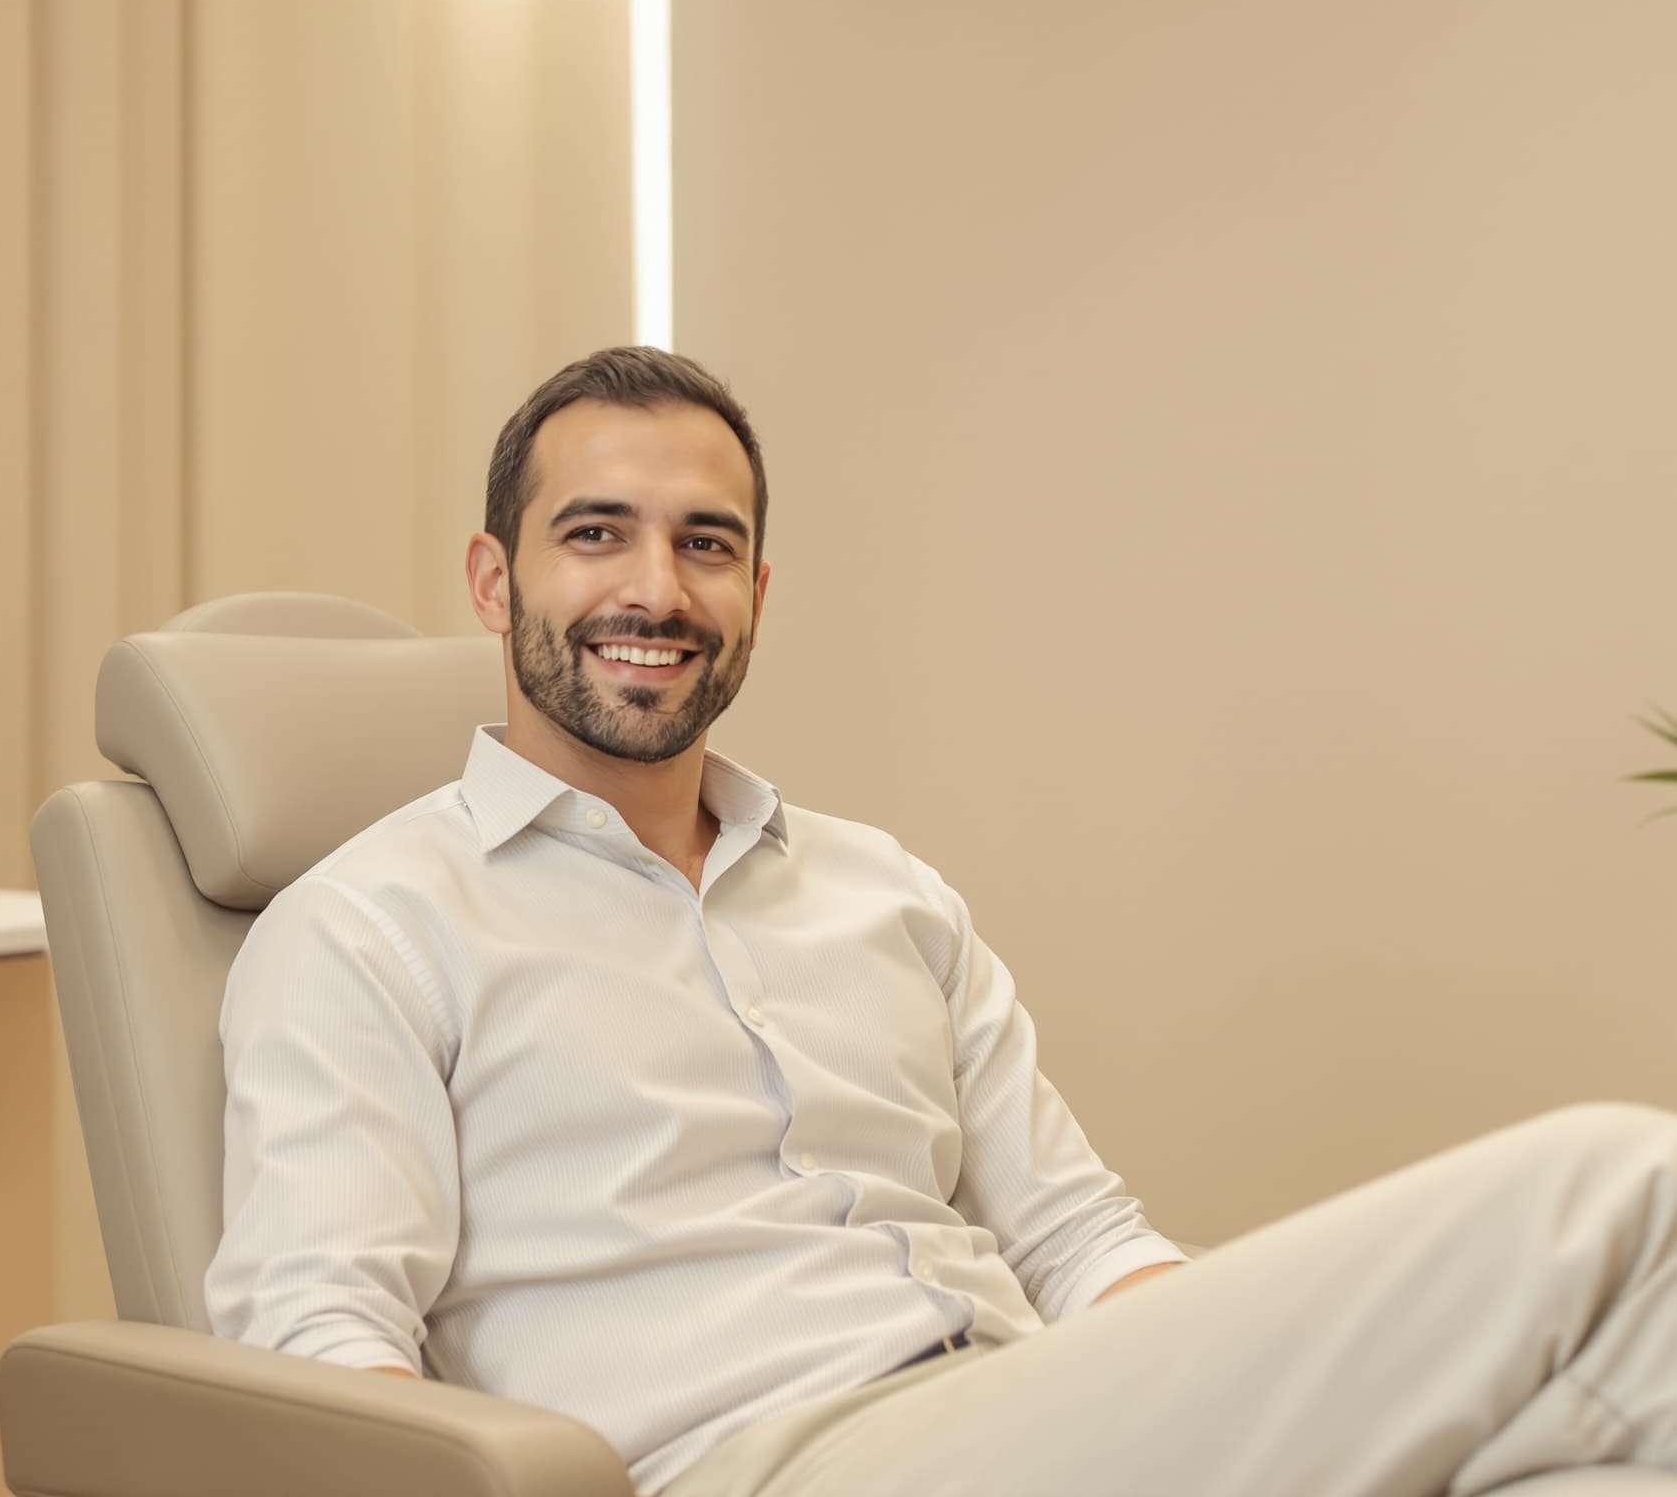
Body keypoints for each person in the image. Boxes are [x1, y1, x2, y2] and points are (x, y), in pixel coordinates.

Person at [205, 346, 1677, 1497]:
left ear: (757, 593)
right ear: (494, 579)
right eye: (597, 534)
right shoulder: (367, 928)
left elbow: (1082, 1240)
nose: (657, 590)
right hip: (754, 1465)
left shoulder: (885, 894)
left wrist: (1245, 1364)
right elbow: (318, 1350)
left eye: (707, 546)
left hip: (1020, 1413)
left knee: (1589, 1468)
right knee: (1625, 1186)